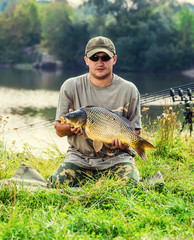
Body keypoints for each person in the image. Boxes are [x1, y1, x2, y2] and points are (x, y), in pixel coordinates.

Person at [48, 36, 142, 188]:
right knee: (56, 184)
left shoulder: (129, 89)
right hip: (79, 158)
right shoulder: (70, 86)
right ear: (86, 60)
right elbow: (59, 129)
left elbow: (136, 131)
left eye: (105, 57)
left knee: (130, 185)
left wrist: (123, 144)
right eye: (94, 57)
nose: (100, 62)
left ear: (114, 59)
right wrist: (70, 127)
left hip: (117, 158)